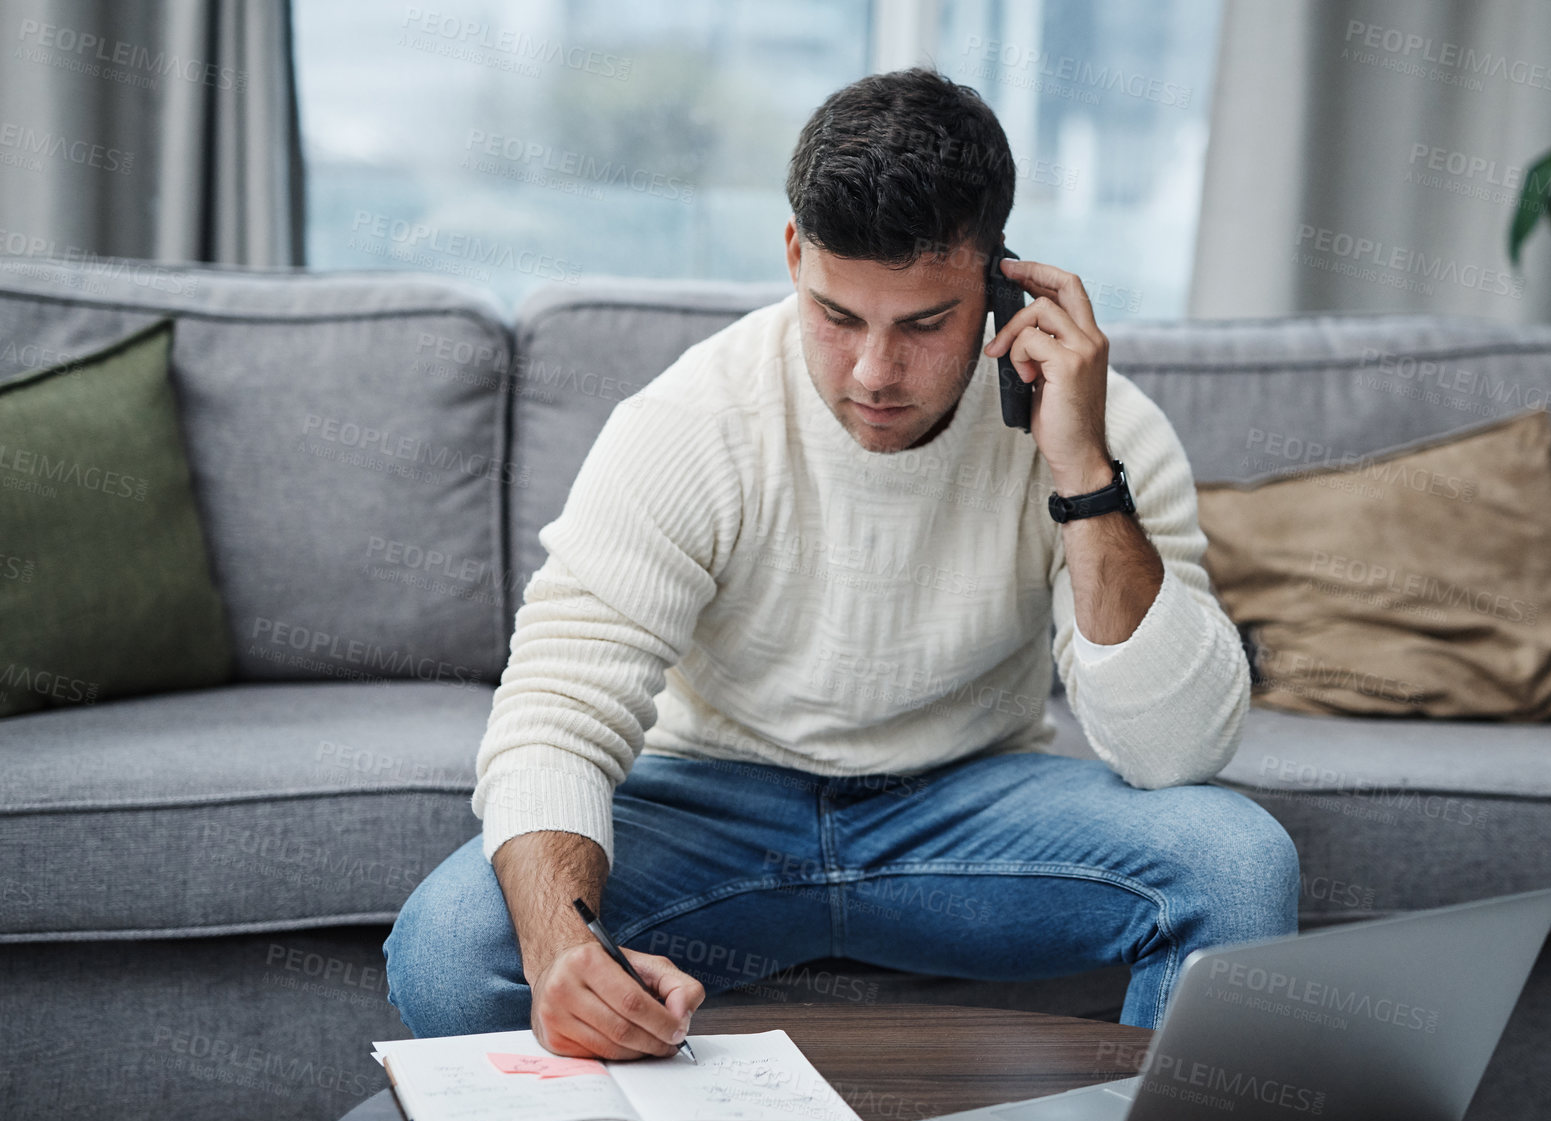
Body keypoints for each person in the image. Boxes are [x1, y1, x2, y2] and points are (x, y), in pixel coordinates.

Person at [384, 66, 1297, 1061]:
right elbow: (554, 711)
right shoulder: (692, 422)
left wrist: (1079, 471)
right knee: (452, 949)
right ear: (791, 255)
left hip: (965, 811)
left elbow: (1175, 756)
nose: (872, 373)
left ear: (999, 283)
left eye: (921, 324)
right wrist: (563, 949)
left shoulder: (1102, 432)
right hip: (714, 804)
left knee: (1236, 866)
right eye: (837, 315)